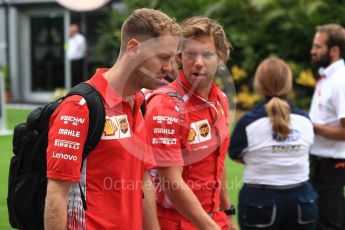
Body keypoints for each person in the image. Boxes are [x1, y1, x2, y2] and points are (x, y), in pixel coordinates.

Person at [44, 8, 180, 230]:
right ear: (134, 48)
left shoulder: (138, 103)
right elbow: (56, 195)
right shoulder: (80, 107)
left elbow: (144, 182)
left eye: (172, 59)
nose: (169, 68)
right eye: (163, 57)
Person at [145, 16, 238, 230]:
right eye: (190, 54)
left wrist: (227, 212)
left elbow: (218, 162)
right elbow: (171, 183)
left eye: (207, 54)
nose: (198, 62)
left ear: (220, 58)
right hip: (174, 221)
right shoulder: (165, 105)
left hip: (213, 217)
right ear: (178, 57)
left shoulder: (221, 100)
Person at [229, 58, 318, 230]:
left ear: (258, 85)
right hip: (302, 200)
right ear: (288, 84)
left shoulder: (247, 122)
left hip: (260, 200)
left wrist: (264, 158)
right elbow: (307, 150)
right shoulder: (305, 120)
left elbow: (235, 154)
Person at [309, 23, 345, 230]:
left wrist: (311, 127)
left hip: (334, 165)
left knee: (329, 224)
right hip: (321, 163)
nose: (312, 51)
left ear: (334, 50)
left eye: (318, 46)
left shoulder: (340, 81)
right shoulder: (327, 77)